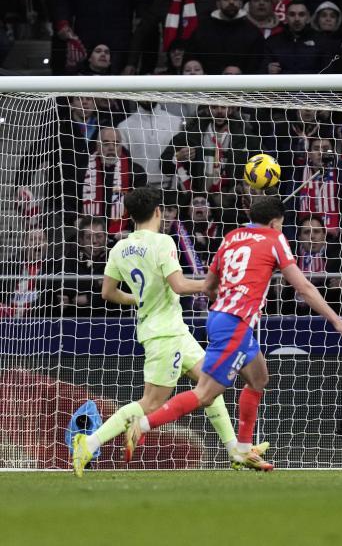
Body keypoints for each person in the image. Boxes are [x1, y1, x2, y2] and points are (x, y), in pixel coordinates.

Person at [123, 196, 342, 470]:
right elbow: (303, 287)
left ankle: (244, 450)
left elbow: (209, 285)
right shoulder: (274, 238)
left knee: (259, 378)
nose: (280, 230)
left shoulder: (232, 236)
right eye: (280, 225)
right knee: (205, 394)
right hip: (235, 323)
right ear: (273, 223)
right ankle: (141, 425)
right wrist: (336, 320)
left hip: (224, 317)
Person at [70, 188, 242, 476]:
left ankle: (235, 450)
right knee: (150, 404)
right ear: (159, 212)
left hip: (171, 329)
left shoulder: (119, 248)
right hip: (164, 335)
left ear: (130, 215)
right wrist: (211, 285)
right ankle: (89, 442)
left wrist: (137, 299)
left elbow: (107, 292)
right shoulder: (163, 242)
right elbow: (179, 285)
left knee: (211, 386)